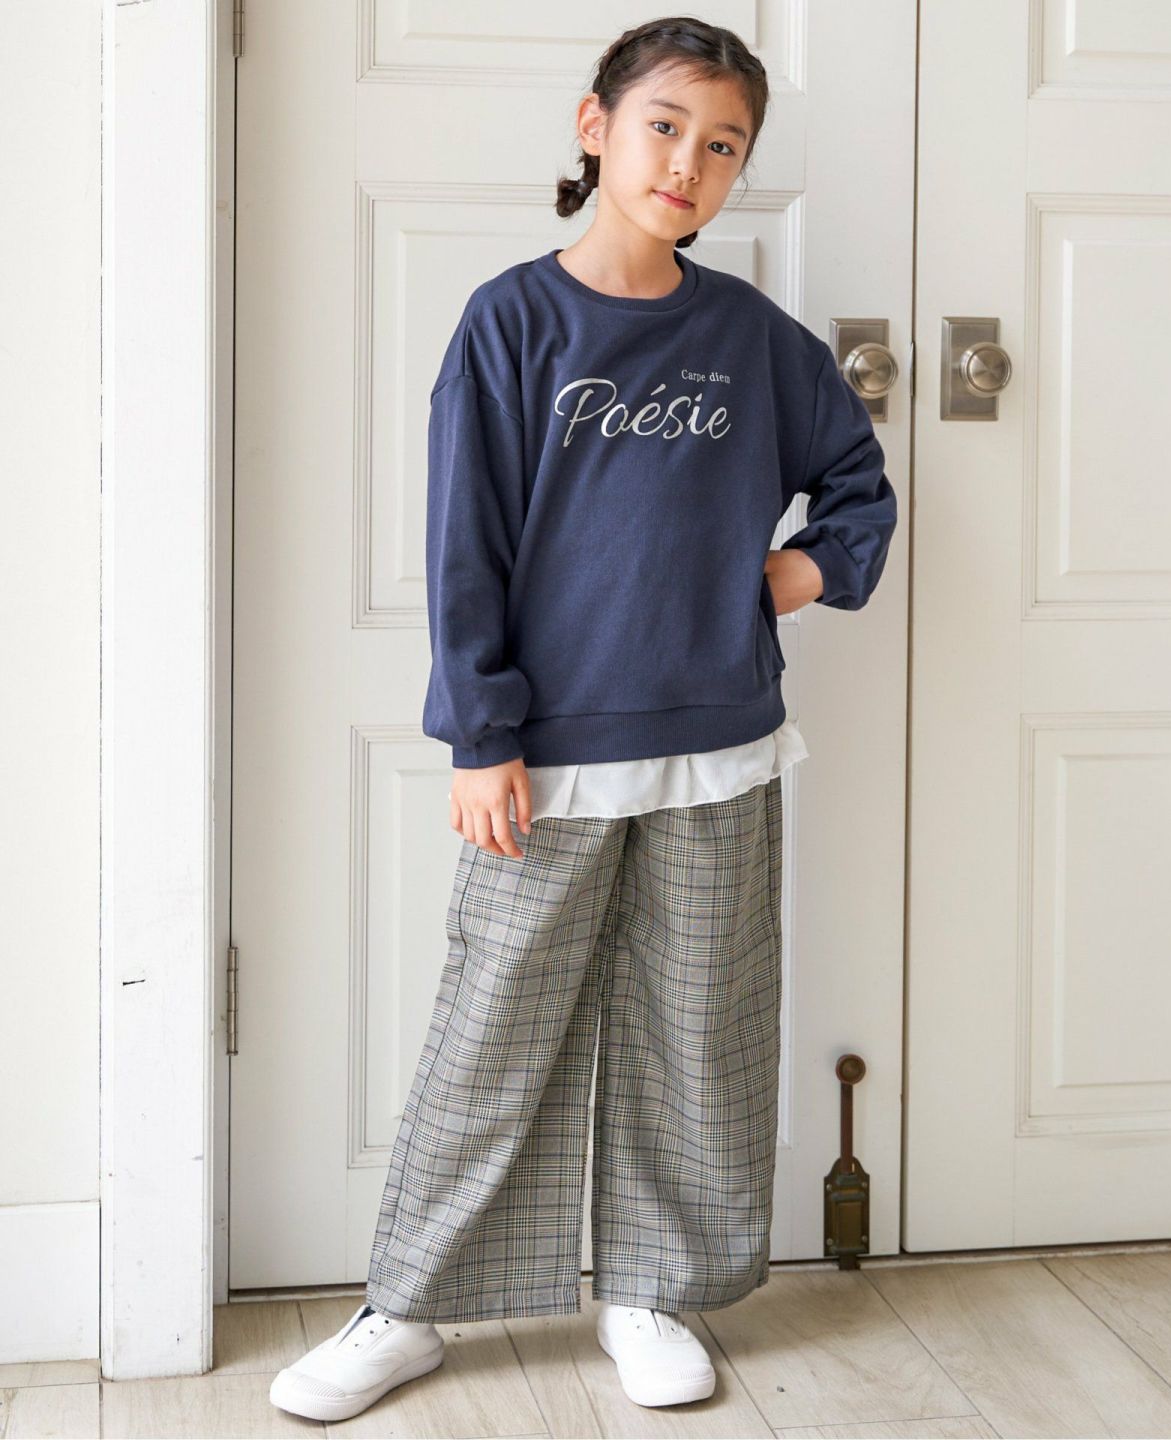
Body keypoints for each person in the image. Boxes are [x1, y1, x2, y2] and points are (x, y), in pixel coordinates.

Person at [270, 14, 897, 1424]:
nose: (688, 162)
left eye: (723, 145)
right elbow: (465, 547)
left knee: (698, 1025)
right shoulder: (511, 322)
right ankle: (407, 1304)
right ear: (595, 126)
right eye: (666, 126)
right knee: (495, 1030)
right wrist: (481, 735)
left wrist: (789, 576)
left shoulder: (754, 341)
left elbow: (860, 492)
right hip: (547, 755)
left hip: (721, 745)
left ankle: (651, 1291)